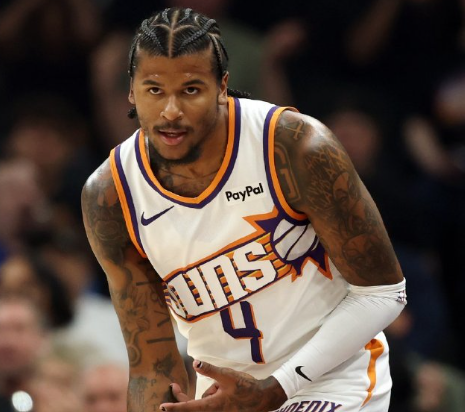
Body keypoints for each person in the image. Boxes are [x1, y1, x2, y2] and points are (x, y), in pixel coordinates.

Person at [81, 7, 407, 412]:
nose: (170, 111)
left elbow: (383, 293)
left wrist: (278, 387)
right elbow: (152, 368)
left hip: (333, 380)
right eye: (154, 90)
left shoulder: (295, 145)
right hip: (224, 398)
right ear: (131, 91)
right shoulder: (110, 195)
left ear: (222, 86)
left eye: (190, 90)